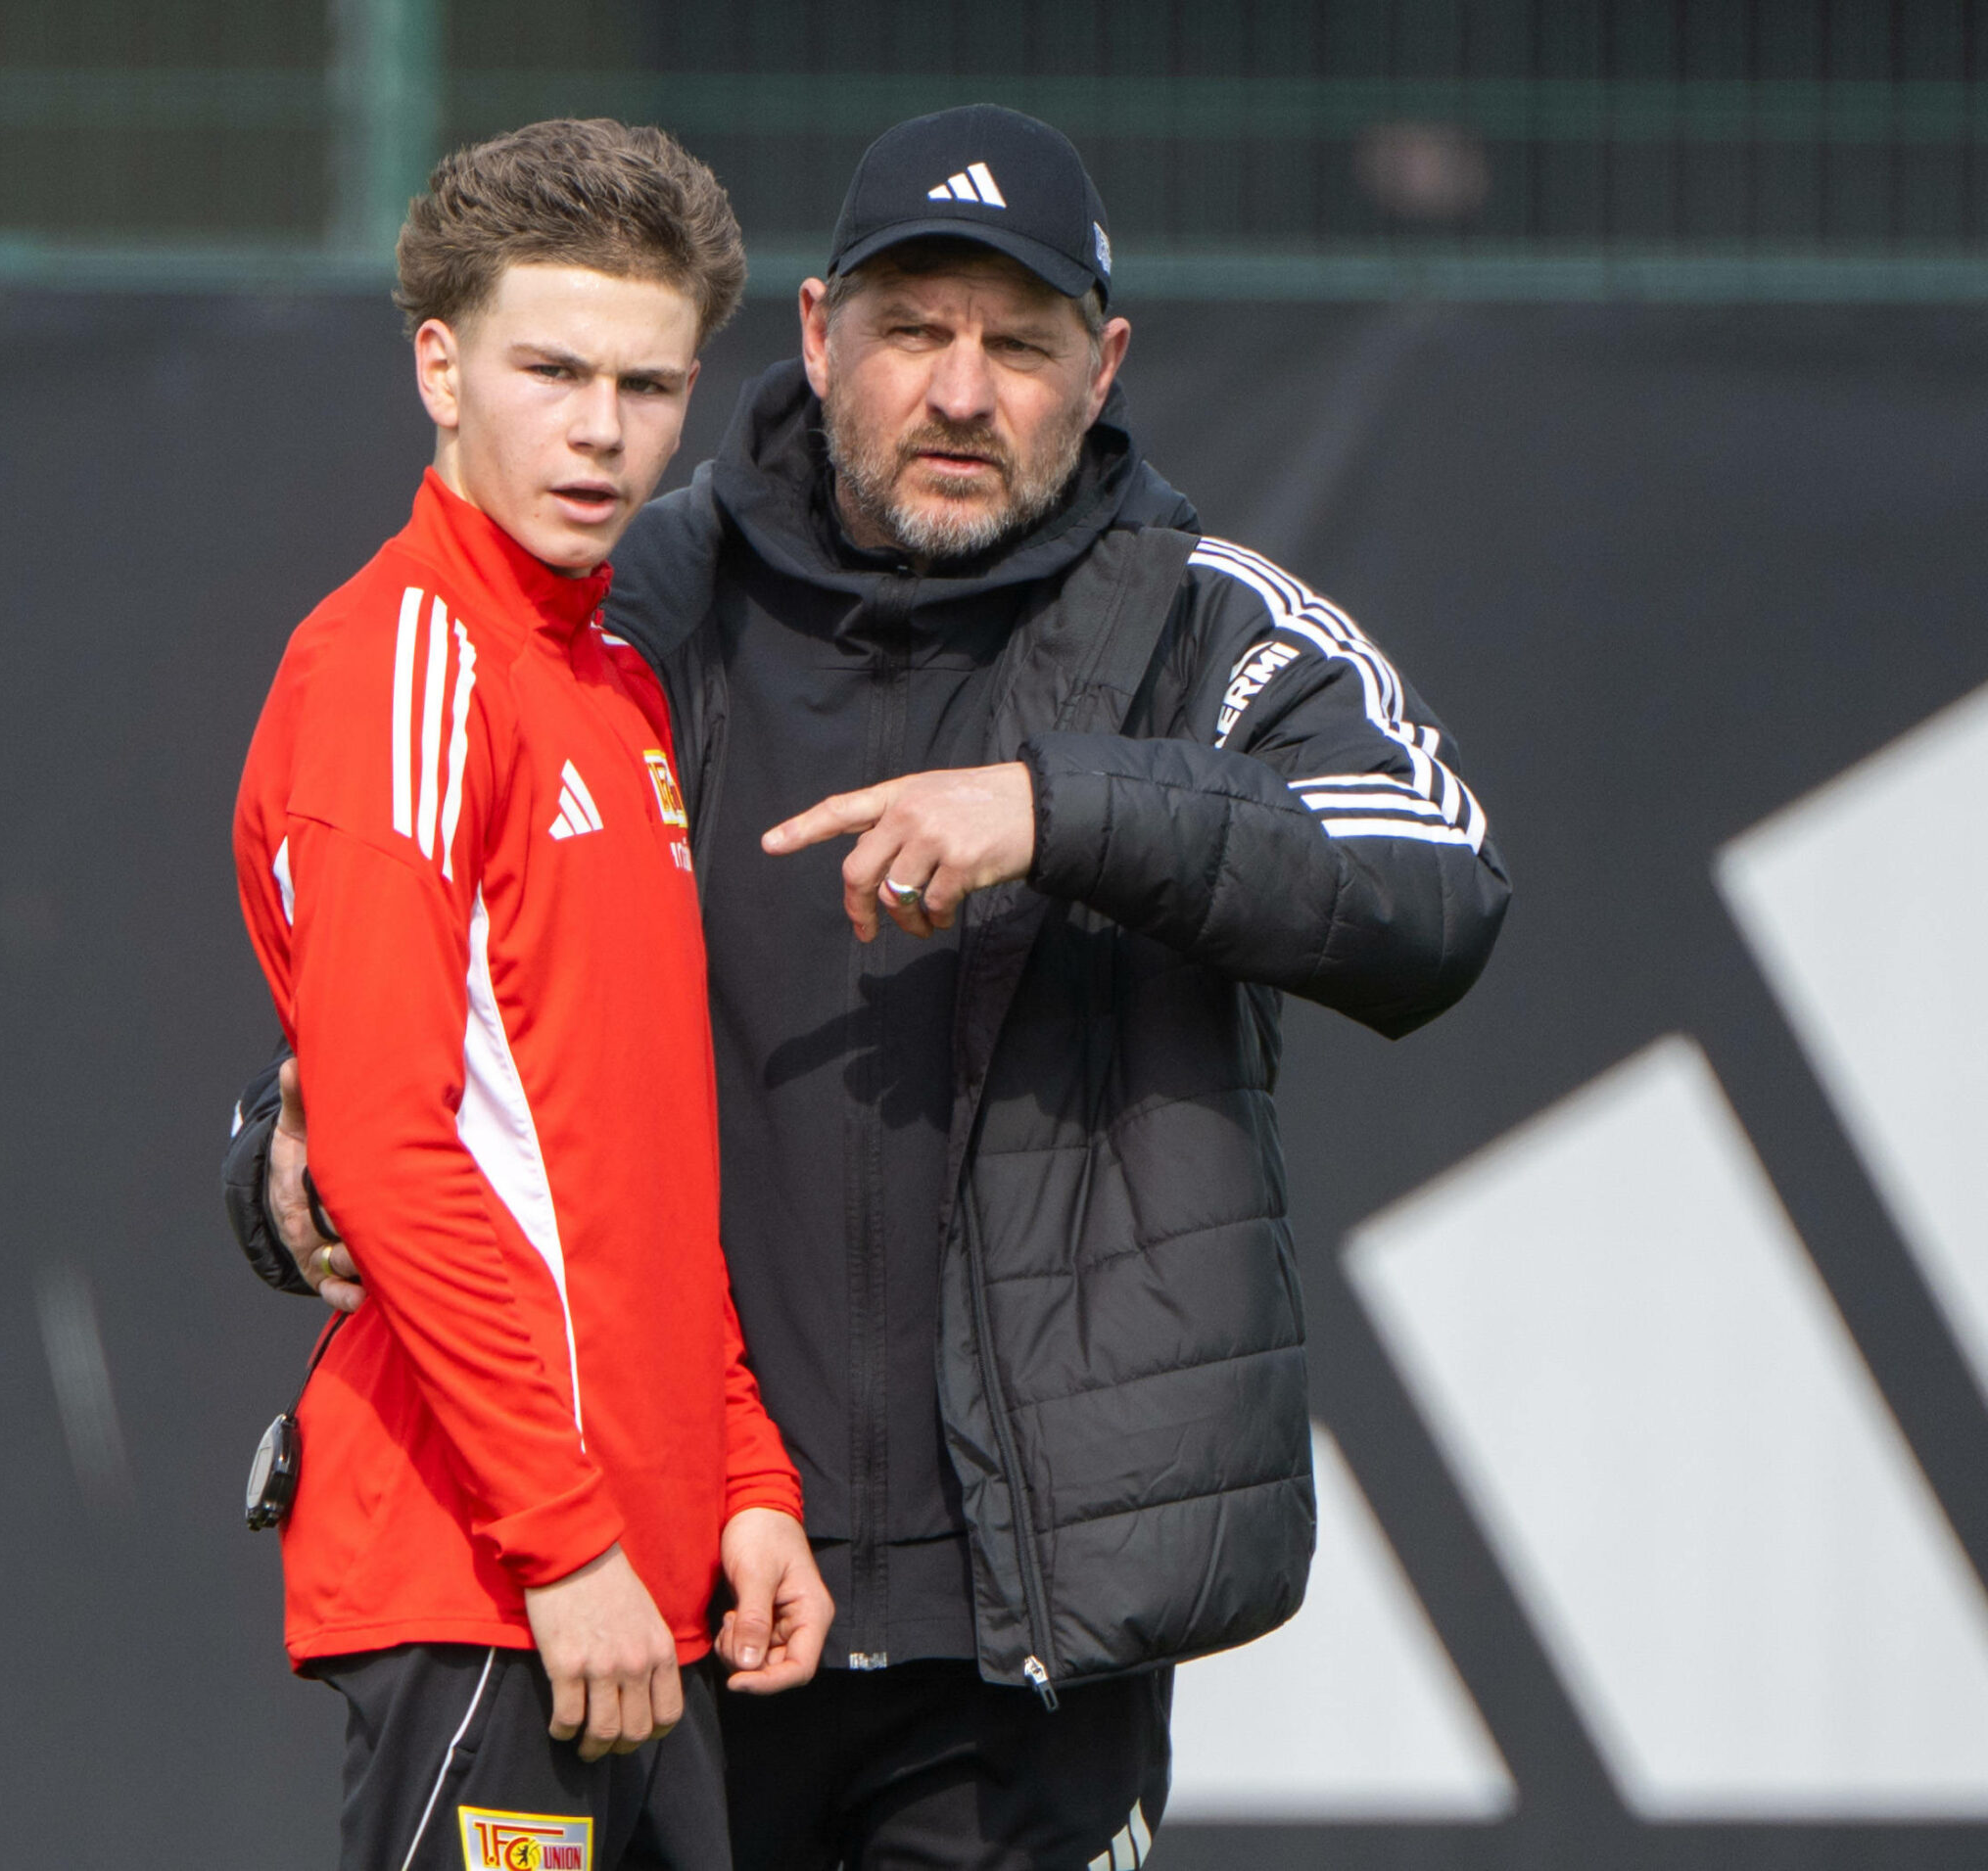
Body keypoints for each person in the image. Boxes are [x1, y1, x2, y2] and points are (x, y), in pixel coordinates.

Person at [228, 105, 1510, 1868]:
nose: (964, 392)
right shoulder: (627, 604)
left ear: (1106, 364)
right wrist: (287, 1154)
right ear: (821, 336)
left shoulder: (1210, 625)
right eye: (916, 331)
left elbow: (1441, 887)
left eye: (1022, 343)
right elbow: (442, 1019)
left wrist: (1060, 807)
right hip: (702, 1598)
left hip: (1031, 1641)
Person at [227, 117, 828, 1871]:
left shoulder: (615, 682)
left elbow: (632, 1164)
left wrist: (743, 1490)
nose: (598, 429)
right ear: (439, 364)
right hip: (490, 1581)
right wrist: (566, 1548)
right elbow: (394, 1154)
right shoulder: (397, 664)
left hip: (640, 1588)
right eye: (549, 369)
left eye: (646, 385)